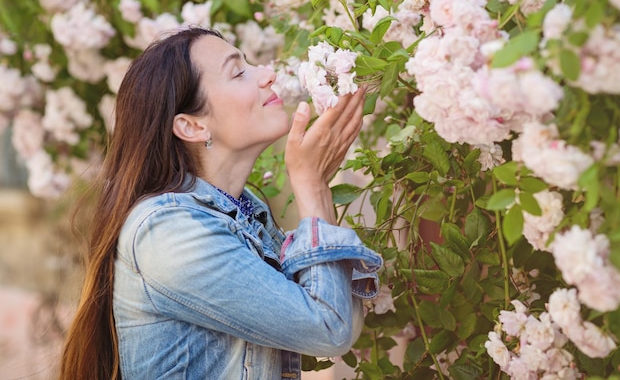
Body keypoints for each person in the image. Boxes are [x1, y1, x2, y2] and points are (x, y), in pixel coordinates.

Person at [57, 26, 381, 380]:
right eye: (239, 72)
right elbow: (328, 328)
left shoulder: (243, 210)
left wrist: (315, 188)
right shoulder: (167, 233)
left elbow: (339, 320)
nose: (268, 74)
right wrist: (312, 184)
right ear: (192, 126)